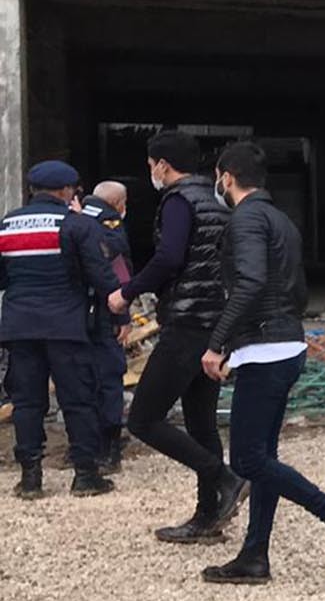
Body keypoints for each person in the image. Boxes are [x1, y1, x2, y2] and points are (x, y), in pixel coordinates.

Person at [199, 141, 325, 585]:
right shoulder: (280, 220)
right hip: (285, 344)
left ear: (226, 177)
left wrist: (218, 343)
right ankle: (254, 554)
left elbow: (252, 281)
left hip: (263, 348)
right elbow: (294, 290)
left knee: (249, 459)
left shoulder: (246, 220)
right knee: (263, 455)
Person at [112, 131, 245, 541]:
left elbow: (169, 257)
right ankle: (209, 516)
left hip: (187, 321)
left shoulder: (178, 200)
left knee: (144, 418)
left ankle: (222, 477)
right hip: (214, 322)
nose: (151, 171)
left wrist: (126, 292)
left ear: (163, 165)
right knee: (201, 420)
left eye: (151, 164)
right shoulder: (217, 199)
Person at [1, 161, 123, 498]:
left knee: (26, 402)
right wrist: (118, 315)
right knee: (78, 399)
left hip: (20, 327)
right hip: (66, 326)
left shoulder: (7, 224)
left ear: (31, 190)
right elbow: (102, 275)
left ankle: (30, 478)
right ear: (66, 191)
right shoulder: (76, 225)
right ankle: (85, 475)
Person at [78, 181, 134, 473]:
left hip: (75, 314)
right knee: (110, 377)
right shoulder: (106, 221)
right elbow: (117, 268)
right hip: (102, 312)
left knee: (81, 380)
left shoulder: (73, 216)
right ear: (117, 202)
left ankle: (85, 445)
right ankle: (109, 448)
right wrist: (123, 316)